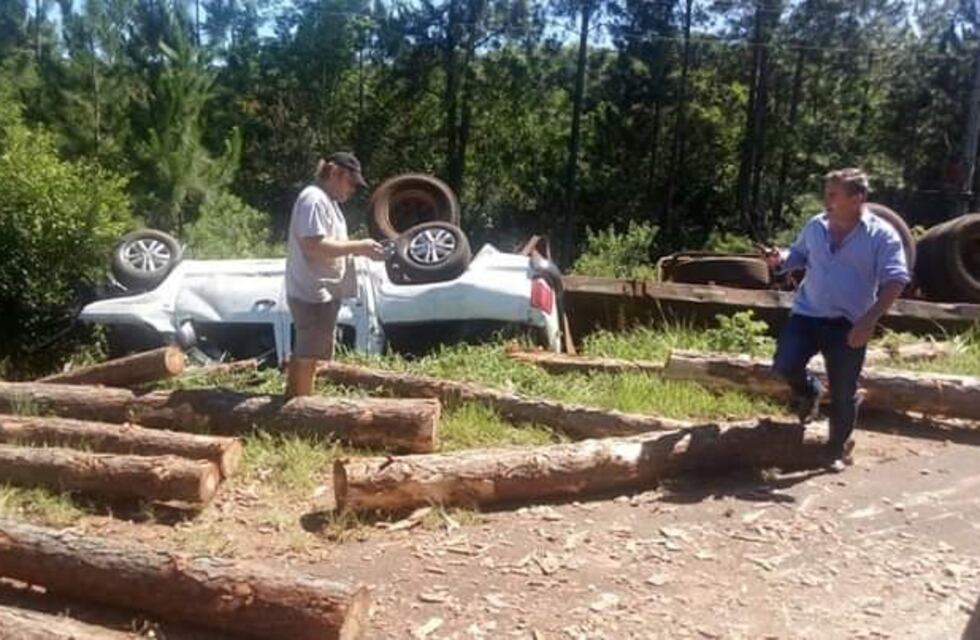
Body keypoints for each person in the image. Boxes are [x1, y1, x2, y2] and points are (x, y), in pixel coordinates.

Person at [765, 168, 910, 472]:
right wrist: (781, 258)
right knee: (784, 365)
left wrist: (870, 320)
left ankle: (835, 449)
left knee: (844, 391)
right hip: (808, 313)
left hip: (850, 323)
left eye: (833, 194)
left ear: (857, 198)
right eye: (826, 192)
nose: (826, 199)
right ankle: (810, 391)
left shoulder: (882, 235)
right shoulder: (816, 226)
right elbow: (799, 254)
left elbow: (896, 279)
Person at [284, 151, 385, 397]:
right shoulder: (314, 199)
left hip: (323, 293)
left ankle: (303, 405)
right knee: (308, 357)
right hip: (311, 294)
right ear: (336, 173)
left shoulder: (329, 203)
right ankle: (300, 409)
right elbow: (314, 245)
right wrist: (359, 247)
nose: (352, 190)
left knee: (316, 356)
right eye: (351, 183)